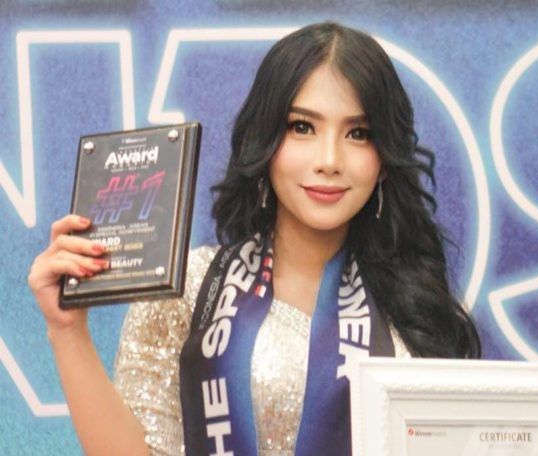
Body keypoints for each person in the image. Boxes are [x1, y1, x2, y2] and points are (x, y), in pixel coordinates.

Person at [27, 22, 480, 456]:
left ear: (383, 160)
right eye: (302, 127)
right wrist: (68, 332)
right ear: (264, 142)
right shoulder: (191, 287)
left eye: (358, 134)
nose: (329, 159)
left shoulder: (416, 304)